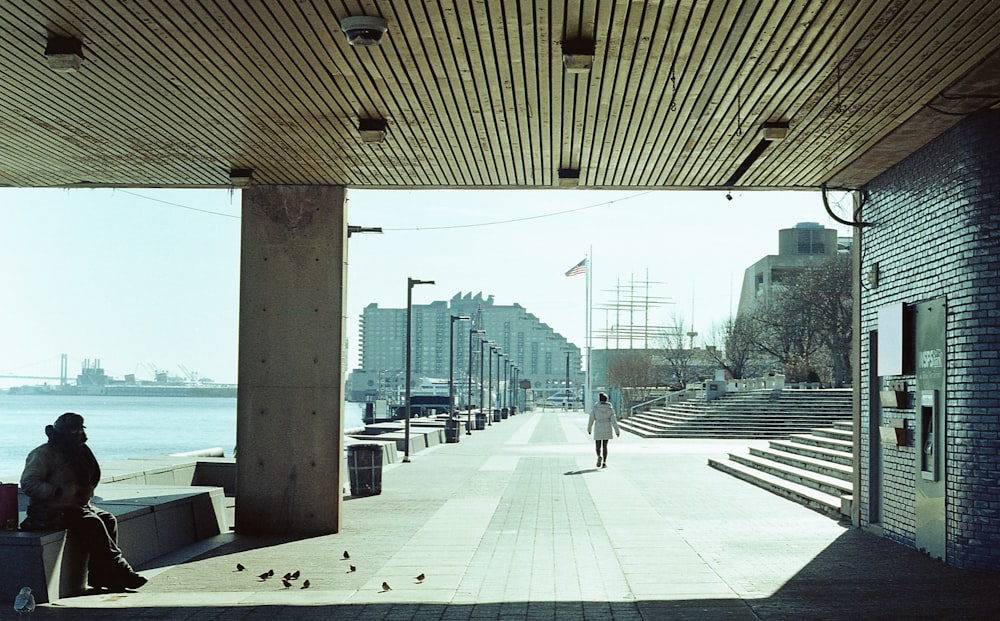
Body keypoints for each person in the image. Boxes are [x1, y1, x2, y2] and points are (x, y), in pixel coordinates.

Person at [20, 412, 147, 591]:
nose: (78, 433)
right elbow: (28, 483)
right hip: (49, 508)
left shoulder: (81, 451)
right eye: (73, 430)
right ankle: (119, 569)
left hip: (76, 505)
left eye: (80, 429)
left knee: (108, 519)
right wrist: (56, 491)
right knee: (92, 523)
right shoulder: (44, 453)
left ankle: (100, 575)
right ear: (62, 431)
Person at [587, 393, 620, 468]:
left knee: (598, 445)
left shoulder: (595, 408)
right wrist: (617, 431)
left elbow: (591, 419)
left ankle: (599, 456)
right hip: (607, 427)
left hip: (598, 426)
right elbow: (613, 421)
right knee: (605, 446)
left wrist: (589, 429)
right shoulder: (610, 408)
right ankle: (604, 462)